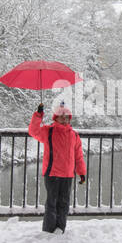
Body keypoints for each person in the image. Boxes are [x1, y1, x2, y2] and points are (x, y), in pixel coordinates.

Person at [27, 100, 87, 234]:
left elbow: (78, 156)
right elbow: (33, 130)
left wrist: (81, 173)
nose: (64, 120)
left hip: (67, 175)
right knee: (52, 204)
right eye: (61, 117)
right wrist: (39, 114)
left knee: (64, 204)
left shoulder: (74, 135)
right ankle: (49, 230)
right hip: (52, 174)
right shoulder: (48, 132)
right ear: (56, 118)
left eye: (67, 117)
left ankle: (60, 229)